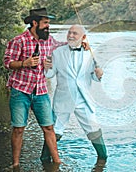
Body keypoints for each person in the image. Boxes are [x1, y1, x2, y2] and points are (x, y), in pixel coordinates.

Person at [3, 8, 65, 169]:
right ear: (35, 23)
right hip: (20, 90)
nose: (48, 26)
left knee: (49, 127)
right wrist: (25, 63)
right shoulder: (19, 41)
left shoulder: (48, 40)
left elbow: (61, 45)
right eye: (45, 23)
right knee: (18, 129)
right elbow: (7, 63)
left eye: (48, 23)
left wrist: (79, 42)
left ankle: (57, 162)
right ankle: (15, 164)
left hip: (41, 91)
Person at [42, 24, 108, 170]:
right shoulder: (57, 52)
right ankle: (44, 158)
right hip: (63, 98)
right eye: (69, 33)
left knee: (93, 128)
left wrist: (99, 74)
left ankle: (103, 158)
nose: (71, 35)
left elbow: (95, 77)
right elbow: (50, 75)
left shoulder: (91, 53)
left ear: (83, 37)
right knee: (55, 130)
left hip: (83, 100)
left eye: (75, 34)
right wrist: (46, 67)